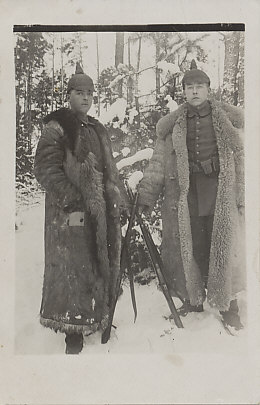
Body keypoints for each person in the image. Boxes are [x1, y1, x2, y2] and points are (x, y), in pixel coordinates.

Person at [137, 60, 245, 330]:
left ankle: (229, 306)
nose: (195, 91)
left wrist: (244, 196)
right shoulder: (172, 126)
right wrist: (146, 198)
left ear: (209, 89)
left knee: (222, 246)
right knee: (193, 246)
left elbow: (245, 157)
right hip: (186, 196)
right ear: (183, 92)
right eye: (189, 87)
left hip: (220, 193)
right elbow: (158, 164)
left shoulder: (229, 120)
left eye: (200, 86)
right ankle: (193, 298)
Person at [34, 63, 127, 354]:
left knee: (96, 262)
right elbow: (45, 169)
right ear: (68, 95)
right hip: (69, 212)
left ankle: (94, 317)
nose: (85, 98)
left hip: (98, 211)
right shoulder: (57, 127)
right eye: (79, 92)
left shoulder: (97, 128)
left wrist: (117, 198)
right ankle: (71, 330)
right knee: (71, 267)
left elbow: (109, 170)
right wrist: (73, 199)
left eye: (89, 93)